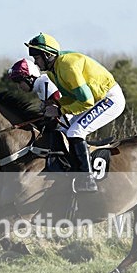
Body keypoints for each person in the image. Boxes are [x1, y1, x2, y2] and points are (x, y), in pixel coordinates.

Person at [24, 32, 126, 192]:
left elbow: (86, 101)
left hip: (109, 99)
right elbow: (72, 97)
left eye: (37, 58)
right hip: (95, 99)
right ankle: (72, 171)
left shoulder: (67, 66)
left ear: (47, 55)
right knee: (64, 130)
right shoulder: (53, 70)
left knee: (75, 131)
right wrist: (53, 105)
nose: (36, 63)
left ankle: (87, 180)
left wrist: (58, 109)